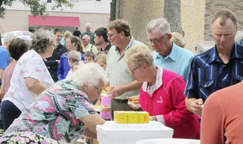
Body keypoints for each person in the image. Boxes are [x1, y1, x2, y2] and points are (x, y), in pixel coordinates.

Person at [0, 62, 108, 143]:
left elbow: (85, 128)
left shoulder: (63, 85)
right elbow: (100, 126)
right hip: (28, 140)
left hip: (16, 138)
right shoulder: (73, 95)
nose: (99, 95)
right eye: (98, 90)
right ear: (86, 85)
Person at [124, 44, 200, 139]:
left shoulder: (173, 80)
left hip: (184, 138)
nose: (131, 74)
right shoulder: (144, 87)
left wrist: (157, 119)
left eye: (132, 70)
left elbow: (187, 110)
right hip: (164, 138)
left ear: (144, 67)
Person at [184, 9, 243, 116]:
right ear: (212, 31)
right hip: (209, 125)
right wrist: (193, 105)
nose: (222, 40)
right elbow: (189, 97)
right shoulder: (199, 61)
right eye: (218, 35)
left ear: (236, 30)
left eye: (227, 35)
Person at [1, 29, 55, 130]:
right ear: (47, 46)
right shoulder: (34, 57)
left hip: (14, 105)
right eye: (53, 45)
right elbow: (31, 83)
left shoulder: (30, 55)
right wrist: (52, 95)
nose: (53, 48)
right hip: (19, 106)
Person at [106, 19, 144, 119]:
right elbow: (109, 75)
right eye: (108, 35)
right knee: (115, 134)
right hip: (114, 103)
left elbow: (145, 78)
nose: (109, 38)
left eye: (111, 35)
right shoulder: (111, 50)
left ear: (122, 34)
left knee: (132, 134)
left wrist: (123, 89)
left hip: (133, 104)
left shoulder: (139, 49)